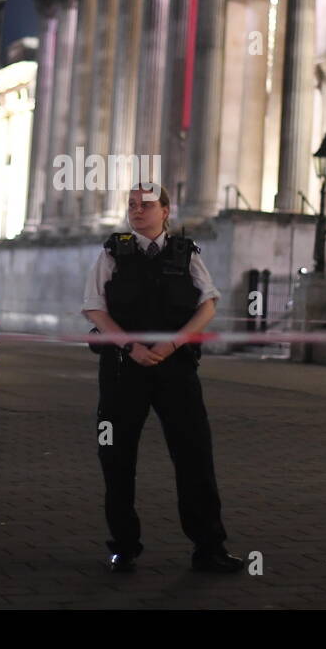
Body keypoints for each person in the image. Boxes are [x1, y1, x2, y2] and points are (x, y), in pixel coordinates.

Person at [81, 182, 242, 574]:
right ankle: (123, 546)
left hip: (176, 368)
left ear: (166, 210)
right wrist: (130, 347)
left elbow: (209, 302)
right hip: (124, 367)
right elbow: (93, 308)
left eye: (146, 204)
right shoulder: (111, 251)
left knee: (194, 456)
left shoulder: (186, 252)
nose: (137, 210)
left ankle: (209, 548)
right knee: (117, 458)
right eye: (132, 204)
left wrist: (172, 346)